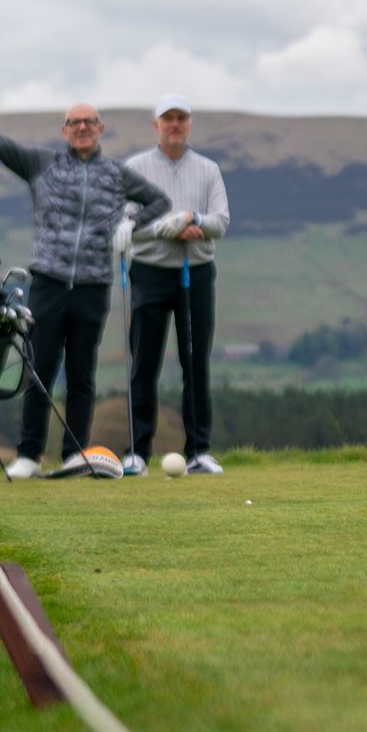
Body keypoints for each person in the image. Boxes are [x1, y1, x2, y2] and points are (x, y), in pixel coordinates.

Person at [0, 92, 170, 478]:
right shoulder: (42, 163)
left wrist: (131, 224)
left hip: (93, 285)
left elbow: (158, 201)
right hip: (48, 283)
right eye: (75, 122)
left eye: (89, 122)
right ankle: (29, 454)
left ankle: (75, 452)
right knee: (40, 370)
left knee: (82, 374)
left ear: (100, 130)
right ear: (64, 131)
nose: (82, 127)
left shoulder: (117, 175)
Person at [120, 94, 232, 476]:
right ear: (156, 125)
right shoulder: (135, 168)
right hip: (150, 273)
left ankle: (199, 449)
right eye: (167, 119)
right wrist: (166, 229)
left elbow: (220, 221)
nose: (175, 125)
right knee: (144, 363)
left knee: (195, 362)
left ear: (189, 123)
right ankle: (136, 451)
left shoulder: (207, 169)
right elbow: (126, 228)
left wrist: (193, 216)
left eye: (181, 118)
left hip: (196, 274)